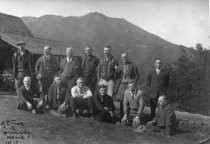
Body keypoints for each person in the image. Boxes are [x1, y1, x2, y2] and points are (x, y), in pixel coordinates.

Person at [115, 52, 139, 118]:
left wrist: (133, 83)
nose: (124, 58)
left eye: (125, 57)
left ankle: (128, 116)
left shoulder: (132, 65)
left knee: (129, 100)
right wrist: (116, 70)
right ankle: (122, 116)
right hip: (122, 84)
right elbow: (117, 76)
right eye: (123, 57)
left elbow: (137, 75)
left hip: (129, 85)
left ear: (127, 57)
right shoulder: (120, 66)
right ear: (121, 58)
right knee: (121, 100)